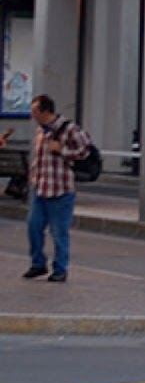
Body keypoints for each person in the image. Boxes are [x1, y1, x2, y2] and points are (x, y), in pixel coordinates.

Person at [22, 94, 88, 283]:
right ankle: (38, 263)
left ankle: (60, 269)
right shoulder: (40, 131)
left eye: (35, 111)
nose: (32, 115)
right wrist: (33, 178)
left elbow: (85, 150)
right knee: (33, 227)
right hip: (41, 187)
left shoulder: (68, 128)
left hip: (61, 189)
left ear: (45, 111)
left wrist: (62, 150)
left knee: (59, 232)